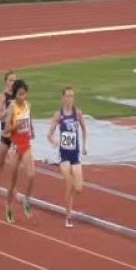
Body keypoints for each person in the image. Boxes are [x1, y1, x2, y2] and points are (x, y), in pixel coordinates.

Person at [47, 86, 87, 228]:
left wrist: (84, 145)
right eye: (68, 96)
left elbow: (84, 129)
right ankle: (68, 216)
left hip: (75, 155)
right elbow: (49, 134)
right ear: (63, 98)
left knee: (79, 188)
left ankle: (69, 212)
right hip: (63, 155)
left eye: (72, 96)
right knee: (69, 184)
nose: (70, 98)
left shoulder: (78, 113)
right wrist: (54, 141)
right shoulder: (59, 115)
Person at [4, 79, 35, 224]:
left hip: (26, 144)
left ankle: (26, 200)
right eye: (20, 94)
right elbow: (5, 130)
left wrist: (32, 130)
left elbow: (30, 120)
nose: (23, 97)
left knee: (31, 175)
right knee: (13, 180)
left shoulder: (28, 105)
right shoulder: (12, 107)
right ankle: (9, 206)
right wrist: (14, 126)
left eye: (24, 94)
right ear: (15, 95)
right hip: (15, 146)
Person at [0, 70, 17, 204]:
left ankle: (13, 191)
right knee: (0, 165)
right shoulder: (2, 96)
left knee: (14, 165)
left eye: (15, 80)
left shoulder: (19, 96)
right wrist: (8, 110)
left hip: (15, 136)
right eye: (10, 80)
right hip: (4, 135)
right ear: (6, 82)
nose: (13, 83)